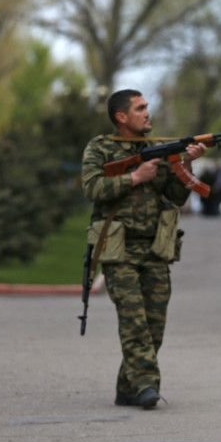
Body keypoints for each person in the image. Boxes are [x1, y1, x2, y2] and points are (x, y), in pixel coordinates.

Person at [81, 89, 207, 409]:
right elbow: (92, 187)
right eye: (140, 108)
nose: (147, 113)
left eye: (147, 107)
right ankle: (147, 386)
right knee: (134, 320)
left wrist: (188, 163)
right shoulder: (101, 147)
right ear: (121, 117)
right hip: (118, 247)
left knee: (154, 325)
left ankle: (127, 386)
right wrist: (135, 177)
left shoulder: (158, 150)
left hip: (154, 249)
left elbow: (177, 195)